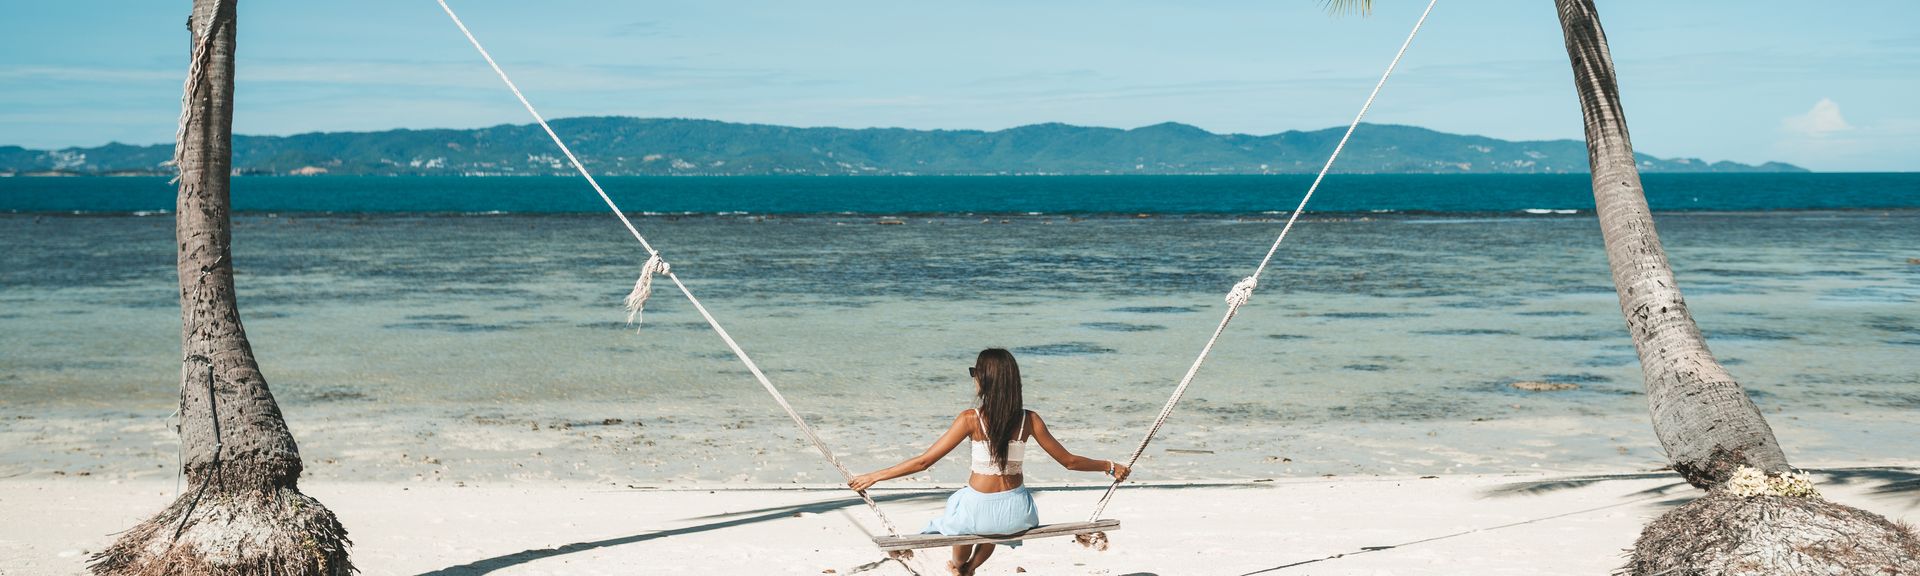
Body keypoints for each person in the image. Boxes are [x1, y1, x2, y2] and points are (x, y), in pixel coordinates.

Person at [850, 348, 1132, 576]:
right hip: (1018, 515)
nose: (973, 378)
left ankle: (961, 568)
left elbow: (924, 462)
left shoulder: (970, 419)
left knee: (961, 514)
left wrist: (875, 476)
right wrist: (1109, 466)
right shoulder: (1029, 420)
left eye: (975, 373)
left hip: (977, 511)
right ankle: (972, 567)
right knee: (991, 527)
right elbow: (1069, 461)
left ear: (983, 380)